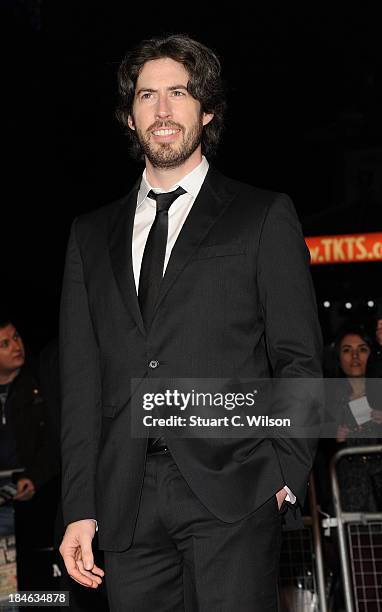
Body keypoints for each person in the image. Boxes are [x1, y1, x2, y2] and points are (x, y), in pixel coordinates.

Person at [59, 34, 322, 611]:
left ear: (206, 111)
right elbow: (80, 382)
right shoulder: (89, 235)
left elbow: (298, 355)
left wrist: (287, 463)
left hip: (236, 484)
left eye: (178, 93)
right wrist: (78, 505)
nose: (162, 109)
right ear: (129, 118)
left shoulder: (261, 214)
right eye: (147, 95)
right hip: (124, 500)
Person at [328, 325, 382, 512]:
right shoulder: (327, 400)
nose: (355, 356)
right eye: (347, 350)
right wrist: (333, 440)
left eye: (362, 349)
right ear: (338, 356)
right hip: (346, 497)